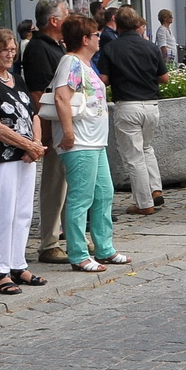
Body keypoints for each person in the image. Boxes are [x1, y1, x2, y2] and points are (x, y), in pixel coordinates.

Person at [52, 14, 131, 271]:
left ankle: (104, 248)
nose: (100, 39)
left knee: (103, 194)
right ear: (85, 39)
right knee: (81, 197)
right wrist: (67, 132)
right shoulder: (71, 63)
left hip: (94, 142)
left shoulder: (84, 65)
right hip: (80, 142)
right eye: (96, 35)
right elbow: (62, 98)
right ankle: (78, 253)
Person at [0, 27, 46, 295]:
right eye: (5, 49)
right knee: (4, 211)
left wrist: (35, 145)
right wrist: (27, 144)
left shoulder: (17, 79)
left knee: (24, 211)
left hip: (26, 155)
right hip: (1, 157)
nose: (10, 54)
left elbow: (33, 115)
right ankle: (1, 270)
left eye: (13, 50)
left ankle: (18, 264)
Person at [101, 5, 168, 215]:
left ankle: (143, 202)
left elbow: (103, 80)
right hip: (151, 106)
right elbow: (164, 78)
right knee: (147, 148)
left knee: (134, 156)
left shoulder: (111, 48)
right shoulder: (150, 47)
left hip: (128, 105)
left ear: (118, 25)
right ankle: (156, 189)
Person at [23, 0, 71, 266]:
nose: (69, 18)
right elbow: (39, 93)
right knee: (54, 184)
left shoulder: (53, 46)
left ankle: (66, 234)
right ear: (54, 20)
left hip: (60, 124)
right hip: (53, 125)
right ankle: (49, 242)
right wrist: (50, 130)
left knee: (66, 183)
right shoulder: (39, 49)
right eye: (66, 15)